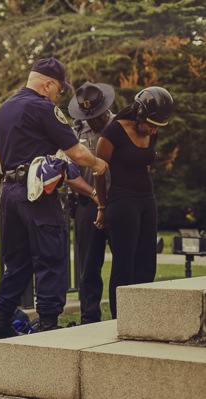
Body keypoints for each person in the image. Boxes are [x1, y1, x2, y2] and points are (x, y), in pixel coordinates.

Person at [0, 57, 109, 339]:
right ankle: (48, 322)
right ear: (47, 83)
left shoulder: (5, 109)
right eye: (58, 89)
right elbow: (75, 151)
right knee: (51, 254)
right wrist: (99, 164)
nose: (59, 94)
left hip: (10, 191)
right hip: (37, 192)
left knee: (17, 260)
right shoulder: (42, 108)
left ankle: (1, 318)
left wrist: (13, 181)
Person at [94, 86, 174, 319]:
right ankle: (121, 318)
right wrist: (102, 206)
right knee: (124, 262)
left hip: (147, 200)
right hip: (121, 201)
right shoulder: (112, 133)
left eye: (156, 126)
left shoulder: (152, 131)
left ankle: (142, 316)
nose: (152, 129)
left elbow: (145, 164)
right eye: (150, 124)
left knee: (147, 260)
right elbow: (100, 172)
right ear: (139, 114)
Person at [66, 82, 115, 324]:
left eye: (97, 115)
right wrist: (94, 195)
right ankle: (89, 318)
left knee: (123, 265)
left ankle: (124, 314)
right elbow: (69, 174)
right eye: (89, 116)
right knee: (87, 267)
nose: (93, 121)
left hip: (117, 203)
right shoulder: (76, 134)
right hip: (86, 204)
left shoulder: (120, 127)